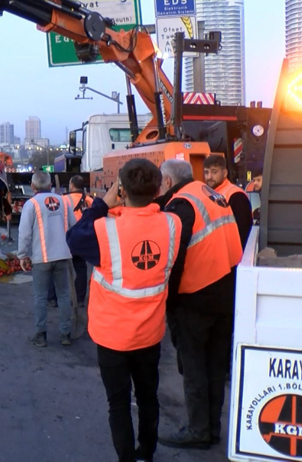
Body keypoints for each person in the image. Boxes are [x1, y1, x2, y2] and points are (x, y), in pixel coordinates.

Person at [67, 158, 182, 462]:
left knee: (118, 404)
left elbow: (73, 238)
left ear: (121, 189)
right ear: (159, 189)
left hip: (112, 337)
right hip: (151, 333)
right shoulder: (173, 224)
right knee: (148, 397)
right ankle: (147, 452)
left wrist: (102, 204)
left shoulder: (105, 230)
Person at [154, 159, 242, 450]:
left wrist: (170, 300)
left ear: (167, 182)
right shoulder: (211, 194)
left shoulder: (181, 205)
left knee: (193, 367)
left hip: (196, 297)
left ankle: (197, 431)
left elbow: (174, 260)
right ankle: (212, 428)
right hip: (226, 291)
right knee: (216, 367)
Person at [18, 171, 77, 347]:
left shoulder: (31, 204)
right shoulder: (64, 202)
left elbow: (24, 233)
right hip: (63, 255)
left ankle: (41, 335)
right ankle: (66, 334)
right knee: (64, 295)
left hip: (41, 257)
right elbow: (74, 226)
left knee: (40, 297)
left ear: (33, 186)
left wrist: (22, 255)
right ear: (50, 185)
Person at [203, 155, 253, 248]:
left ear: (224, 173)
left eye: (214, 172)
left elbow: (243, 230)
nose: (209, 177)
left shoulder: (236, 195)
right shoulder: (208, 194)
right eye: (206, 172)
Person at [65, 174, 94, 308]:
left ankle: (53, 298)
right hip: (84, 239)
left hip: (67, 238)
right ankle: (80, 298)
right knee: (81, 269)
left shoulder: (64, 199)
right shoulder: (89, 200)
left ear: (71, 185)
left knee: (58, 268)